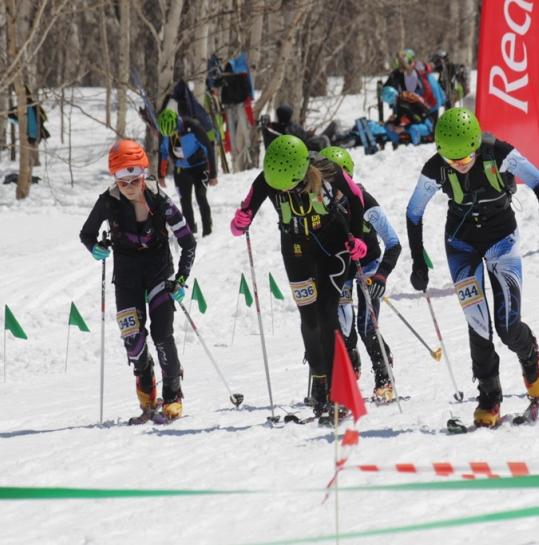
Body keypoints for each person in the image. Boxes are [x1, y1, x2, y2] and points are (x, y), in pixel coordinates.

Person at [405, 108, 539, 427]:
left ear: (476, 144)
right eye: (453, 160)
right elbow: (413, 213)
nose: (461, 164)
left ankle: (530, 357)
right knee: (477, 323)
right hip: (461, 244)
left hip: (502, 238)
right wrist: (418, 261)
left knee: (507, 325)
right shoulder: (435, 167)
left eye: (466, 157)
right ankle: (489, 396)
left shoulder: (498, 152)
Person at [230, 135, 366, 417]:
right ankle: (319, 379)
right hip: (295, 249)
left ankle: (338, 387)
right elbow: (246, 212)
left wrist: (358, 235)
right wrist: (240, 221)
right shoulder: (269, 176)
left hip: (333, 245)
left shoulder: (327, 168)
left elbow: (356, 197)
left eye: (291, 185)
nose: (286, 190)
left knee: (329, 313)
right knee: (310, 319)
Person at [79, 140, 196, 421]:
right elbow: (86, 234)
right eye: (123, 182)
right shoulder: (107, 201)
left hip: (158, 271)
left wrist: (180, 278)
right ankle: (147, 393)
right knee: (133, 339)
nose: (129, 187)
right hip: (128, 273)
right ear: (115, 180)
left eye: (135, 180)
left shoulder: (160, 200)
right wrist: (96, 248)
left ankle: (172, 395)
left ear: (144, 175)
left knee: (162, 334)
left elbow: (188, 241)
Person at [321, 146, 402, 402]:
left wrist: (381, 275)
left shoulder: (366, 202)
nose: (329, 189)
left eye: (334, 181)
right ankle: (350, 364)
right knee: (341, 321)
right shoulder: (318, 203)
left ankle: (384, 375)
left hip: (368, 265)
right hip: (341, 266)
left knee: (367, 325)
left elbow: (393, 243)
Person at [157, 108, 219, 237]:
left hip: (199, 167)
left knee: (200, 196)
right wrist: (161, 174)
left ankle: (207, 228)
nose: (172, 134)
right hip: (180, 169)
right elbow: (163, 152)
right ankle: (190, 229)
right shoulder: (164, 132)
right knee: (185, 200)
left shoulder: (193, 127)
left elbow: (208, 148)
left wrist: (213, 174)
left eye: (174, 131)